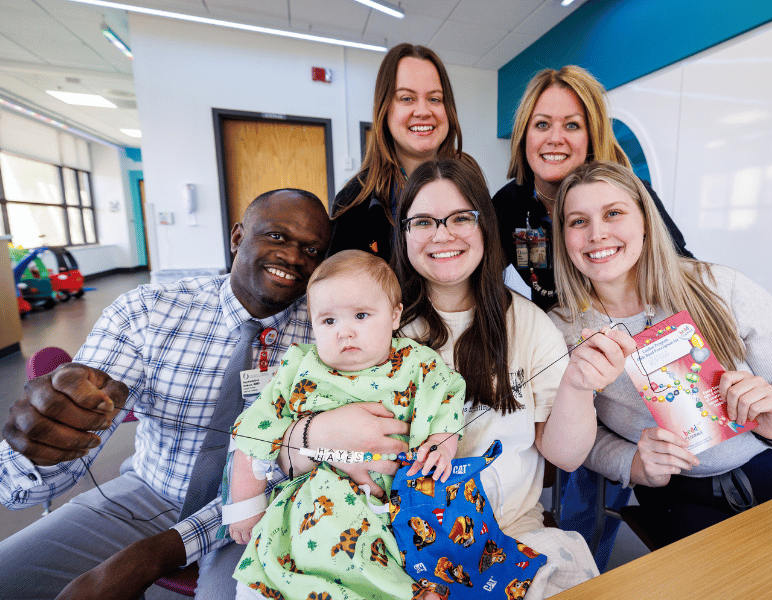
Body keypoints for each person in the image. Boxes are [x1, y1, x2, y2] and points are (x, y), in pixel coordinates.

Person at [283, 158, 636, 599]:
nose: (442, 234)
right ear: (404, 234)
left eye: (460, 218)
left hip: (505, 539)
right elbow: (276, 452)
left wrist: (579, 389)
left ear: (485, 225)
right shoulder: (365, 324)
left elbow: (564, 457)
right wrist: (316, 433)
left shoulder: (528, 325)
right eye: (423, 222)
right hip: (381, 546)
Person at [0, 189, 348, 600]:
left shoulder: (332, 332)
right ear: (237, 237)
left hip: (264, 511)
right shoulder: (148, 311)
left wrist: (157, 553)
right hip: (150, 493)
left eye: (311, 249)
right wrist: (42, 446)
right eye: (276, 236)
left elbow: (301, 470)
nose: (293, 257)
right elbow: (24, 489)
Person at [548, 160, 772, 548]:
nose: (597, 234)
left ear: (645, 221)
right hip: (678, 492)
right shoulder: (561, 330)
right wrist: (631, 463)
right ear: (563, 236)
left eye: (613, 213)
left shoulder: (716, 284)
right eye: (578, 221)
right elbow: (583, 438)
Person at [227, 249, 465, 600]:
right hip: (315, 501)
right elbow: (253, 433)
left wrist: (442, 444)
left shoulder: (419, 363)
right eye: (329, 321)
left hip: (398, 501)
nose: (345, 332)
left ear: (395, 315)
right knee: (274, 571)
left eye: (361, 315)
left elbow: (449, 399)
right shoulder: (299, 367)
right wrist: (245, 509)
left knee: (419, 557)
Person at [492, 65, 692, 311]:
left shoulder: (632, 193)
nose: (555, 138)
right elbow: (480, 280)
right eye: (542, 125)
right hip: (559, 338)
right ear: (524, 135)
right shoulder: (507, 204)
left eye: (572, 125)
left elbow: (683, 269)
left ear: (591, 137)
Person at [328, 43, 475, 262]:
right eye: (407, 98)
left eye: (435, 99)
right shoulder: (355, 201)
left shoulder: (470, 179)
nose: (424, 111)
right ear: (385, 109)